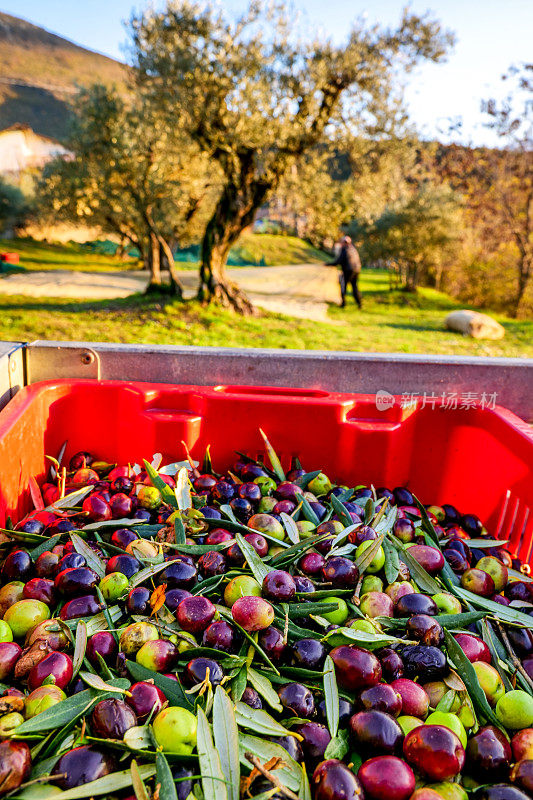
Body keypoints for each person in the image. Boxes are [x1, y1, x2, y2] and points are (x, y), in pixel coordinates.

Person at [325, 235, 362, 308]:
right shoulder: (353, 249)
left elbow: (339, 261)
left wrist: (329, 264)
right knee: (354, 286)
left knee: (343, 286)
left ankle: (343, 303)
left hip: (348, 270)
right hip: (357, 270)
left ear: (343, 243)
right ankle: (359, 303)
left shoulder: (344, 249)